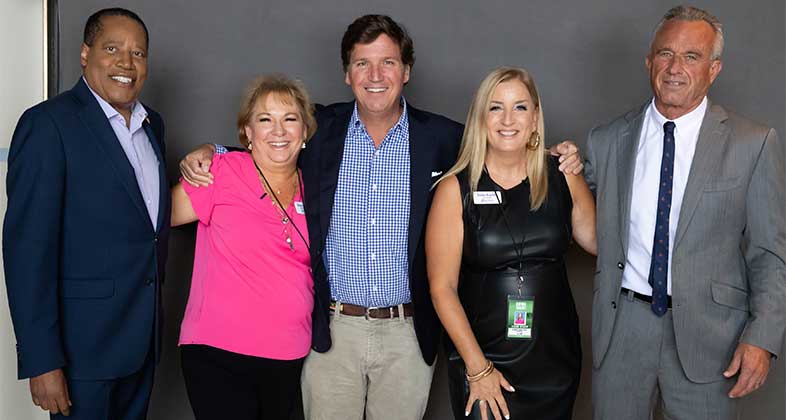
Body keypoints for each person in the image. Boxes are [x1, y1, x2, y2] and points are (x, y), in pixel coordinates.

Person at [180, 15, 582, 419]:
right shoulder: (319, 130)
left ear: (406, 71)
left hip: (407, 333)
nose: (375, 75)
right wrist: (212, 150)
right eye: (362, 63)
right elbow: (270, 143)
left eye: (388, 62)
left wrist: (554, 156)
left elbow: (500, 146)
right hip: (333, 331)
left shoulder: (442, 138)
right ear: (347, 73)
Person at [584, 5, 785, 419]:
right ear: (649, 62)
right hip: (622, 331)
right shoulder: (606, 140)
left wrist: (763, 337)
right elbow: (575, 216)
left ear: (714, 69)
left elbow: (770, 253)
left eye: (692, 56)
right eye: (666, 53)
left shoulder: (753, 143)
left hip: (712, 339)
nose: (675, 68)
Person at [3, 8, 168, 419]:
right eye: (112, 49)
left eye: (138, 53)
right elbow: (27, 252)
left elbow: (145, 223)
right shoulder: (48, 125)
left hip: (141, 344)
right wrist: (42, 360)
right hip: (81, 354)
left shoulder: (153, 126)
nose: (126, 63)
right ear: (84, 54)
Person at [426, 67, 596, 420]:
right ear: (480, 118)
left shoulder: (562, 177)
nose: (508, 119)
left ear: (535, 117)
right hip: (483, 357)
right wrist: (478, 368)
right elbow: (442, 288)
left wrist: (589, 167)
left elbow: (602, 245)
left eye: (520, 107)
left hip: (554, 358)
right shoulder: (455, 189)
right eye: (495, 107)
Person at [171, 74, 316, 419]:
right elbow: (150, 218)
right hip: (219, 353)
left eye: (290, 119)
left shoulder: (316, 188)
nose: (278, 131)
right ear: (248, 132)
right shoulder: (220, 173)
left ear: (304, 132)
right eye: (265, 120)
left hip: (290, 354)